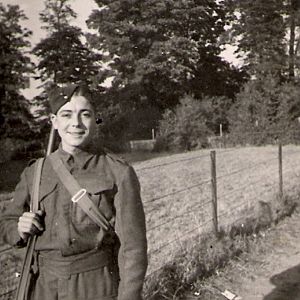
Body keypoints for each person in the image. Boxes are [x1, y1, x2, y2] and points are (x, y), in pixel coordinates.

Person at [0, 84, 148, 300]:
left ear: (96, 119)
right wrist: (19, 229)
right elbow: (7, 221)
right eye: (66, 114)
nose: (76, 123)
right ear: (54, 121)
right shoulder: (36, 171)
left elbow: (133, 250)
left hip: (97, 286)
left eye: (85, 114)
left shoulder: (117, 171)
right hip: (43, 287)